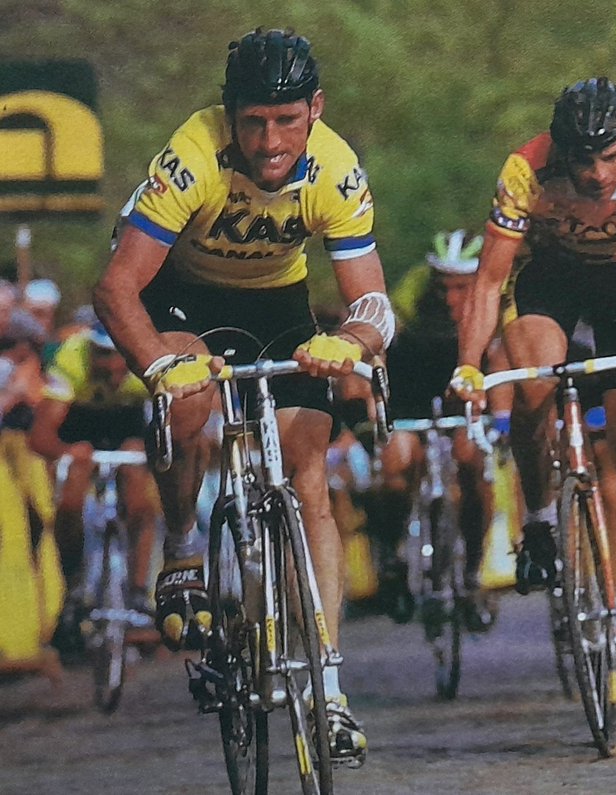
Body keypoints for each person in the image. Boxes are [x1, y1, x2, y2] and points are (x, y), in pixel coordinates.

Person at [93, 28, 392, 764]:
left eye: (287, 120)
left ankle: (327, 687)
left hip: (275, 302)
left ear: (315, 109)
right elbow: (115, 288)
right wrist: (158, 369)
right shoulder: (192, 153)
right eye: (253, 120)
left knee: (309, 468)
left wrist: (351, 341)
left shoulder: (337, 169)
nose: (268, 140)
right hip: (182, 294)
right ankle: (184, 548)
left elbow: (374, 303)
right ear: (230, 114)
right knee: (188, 400)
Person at [449, 77, 616, 708]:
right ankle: (538, 522)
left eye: (610, 157)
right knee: (534, 385)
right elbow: (488, 283)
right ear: (559, 151)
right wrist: (467, 364)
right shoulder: (525, 172)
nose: (596, 174)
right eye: (582, 160)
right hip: (553, 274)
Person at [361, 229, 504, 634]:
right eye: (443, 284)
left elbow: (506, 350)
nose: (449, 297)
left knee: (471, 461)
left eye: (462, 287)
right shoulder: (414, 289)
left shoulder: (496, 291)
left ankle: (473, 574)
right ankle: (391, 557)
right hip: (411, 381)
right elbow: (380, 346)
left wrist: (504, 412)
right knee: (396, 464)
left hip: (466, 380)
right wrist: (374, 397)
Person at [29, 321, 157, 652]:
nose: (110, 368)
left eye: (115, 359)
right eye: (100, 357)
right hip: (79, 426)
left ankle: (140, 592)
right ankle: (73, 590)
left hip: (128, 425)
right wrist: (66, 452)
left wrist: (153, 451)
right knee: (70, 499)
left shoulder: (144, 359)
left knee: (140, 498)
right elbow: (40, 436)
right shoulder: (71, 360)